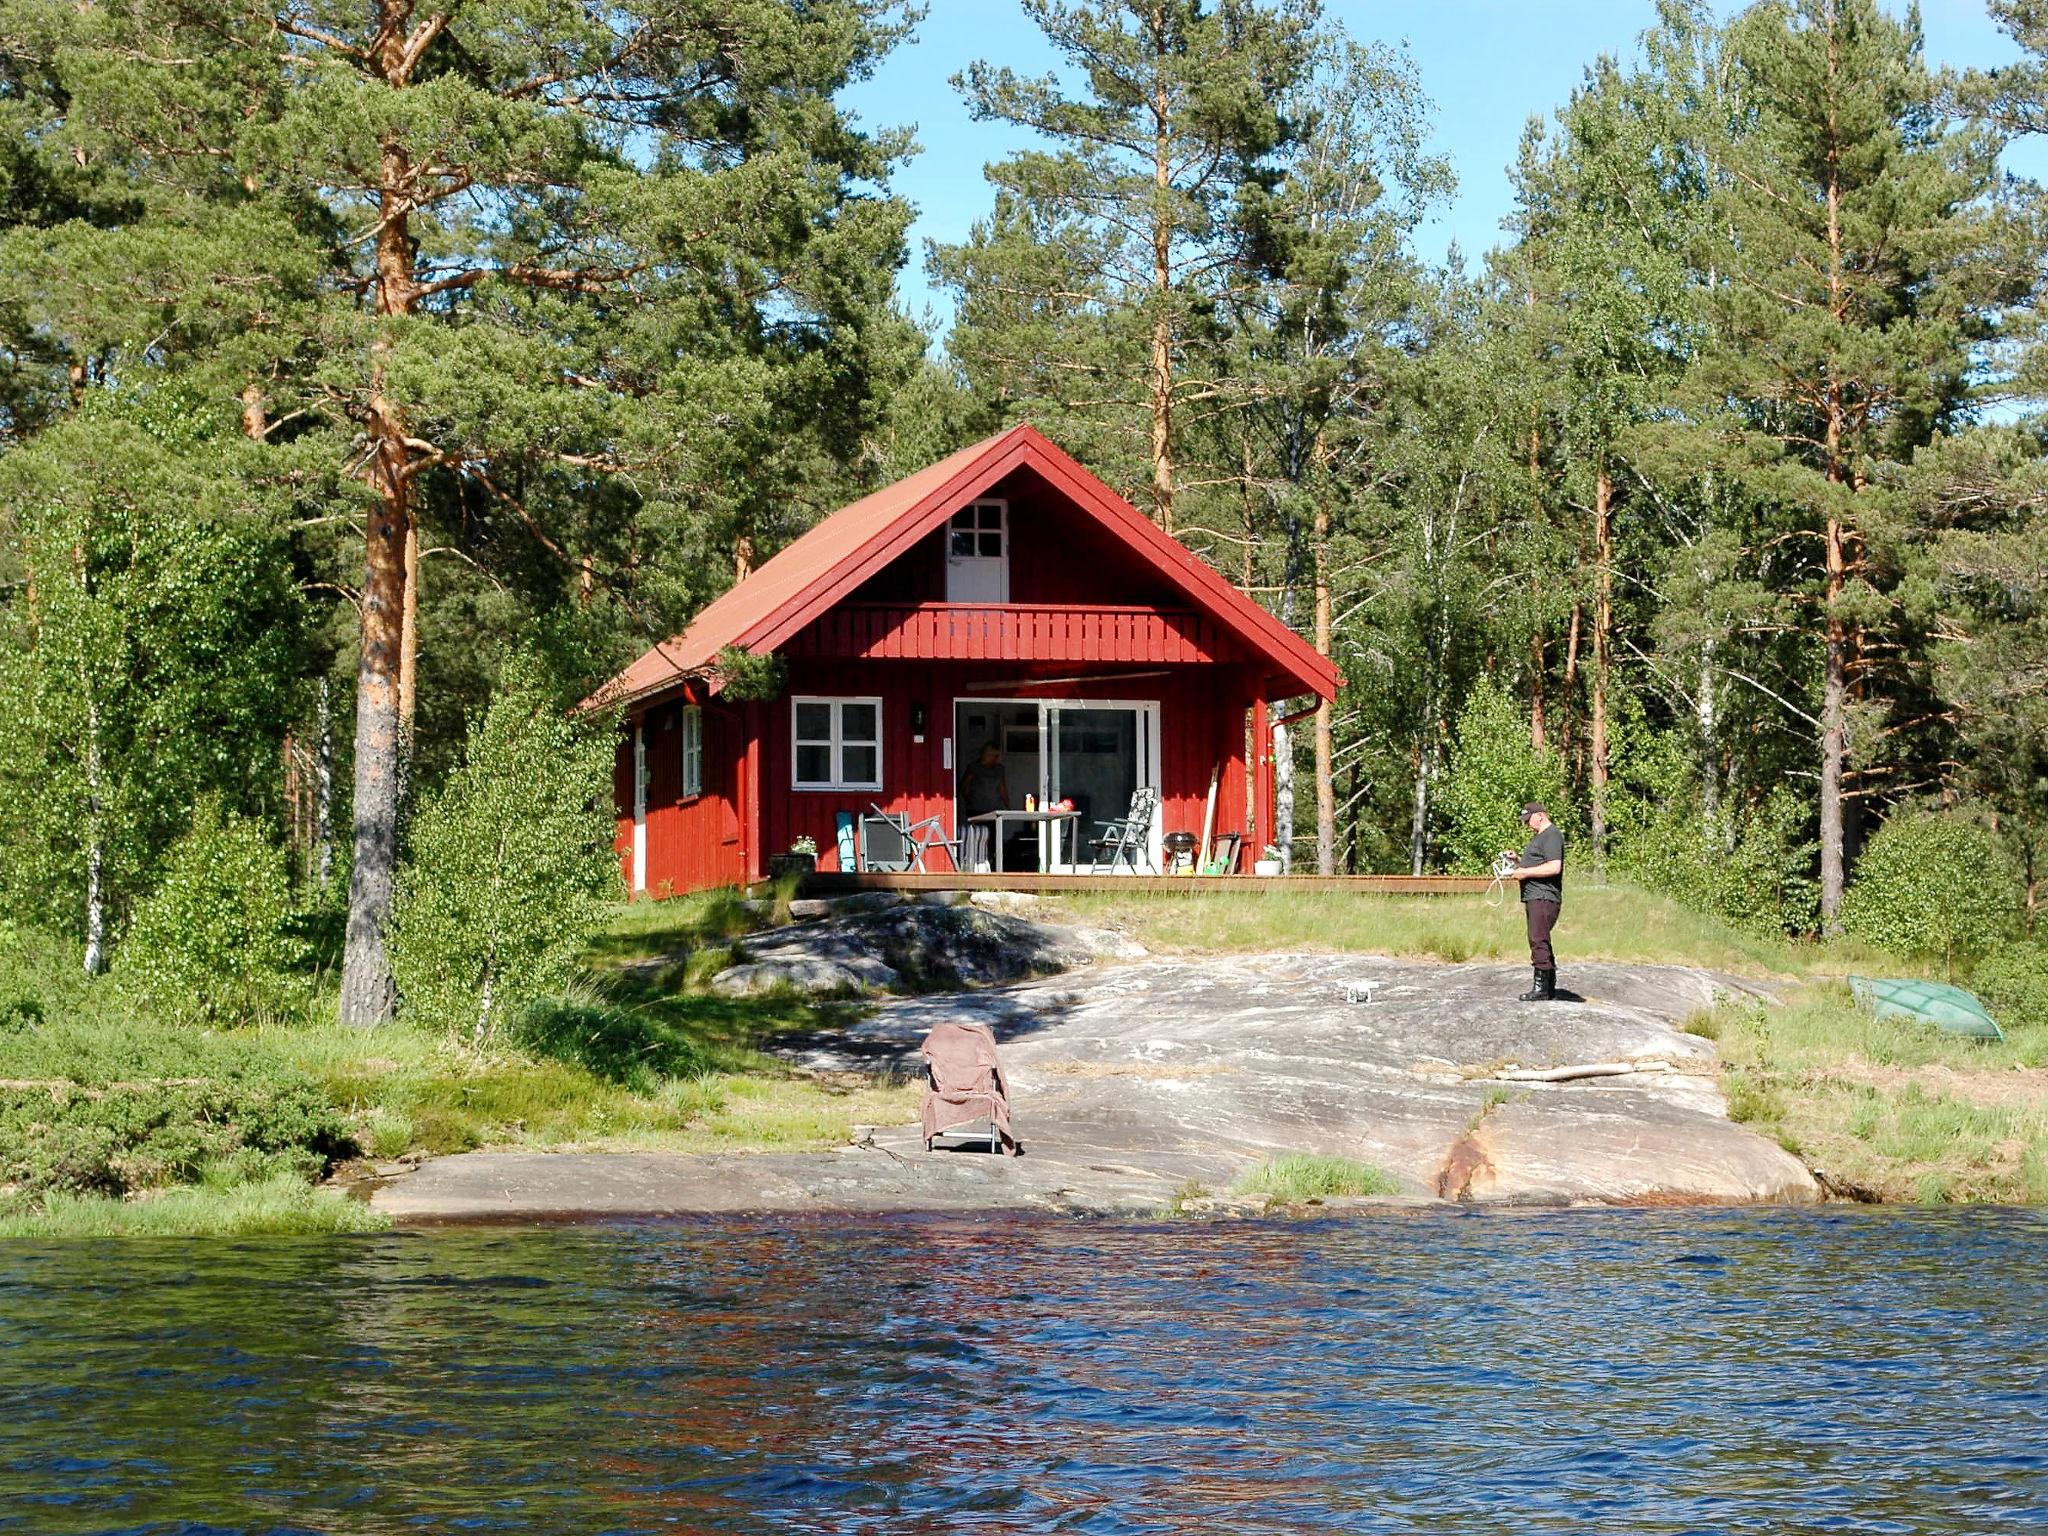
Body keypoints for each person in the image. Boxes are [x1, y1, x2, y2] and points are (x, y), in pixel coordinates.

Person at [1502, 801, 1565, 1001]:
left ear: (1540, 816)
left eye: (1529, 820)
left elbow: (1554, 867)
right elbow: (1538, 863)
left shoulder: (1552, 835)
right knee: (1540, 937)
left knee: (1538, 938)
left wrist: (1524, 872)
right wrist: (1518, 861)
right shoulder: (1541, 837)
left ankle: (1542, 989)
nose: (1528, 824)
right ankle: (1548, 985)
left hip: (1544, 896)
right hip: (1535, 896)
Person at [959, 742, 1009, 871]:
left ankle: (994, 866)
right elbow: (963, 785)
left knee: (993, 840)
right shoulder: (974, 767)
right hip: (976, 810)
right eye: (996, 755)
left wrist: (1008, 807)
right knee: (978, 838)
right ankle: (974, 866)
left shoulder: (999, 769)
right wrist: (968, 800)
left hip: (994, 810)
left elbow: (1002, 788)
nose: (998, 758)